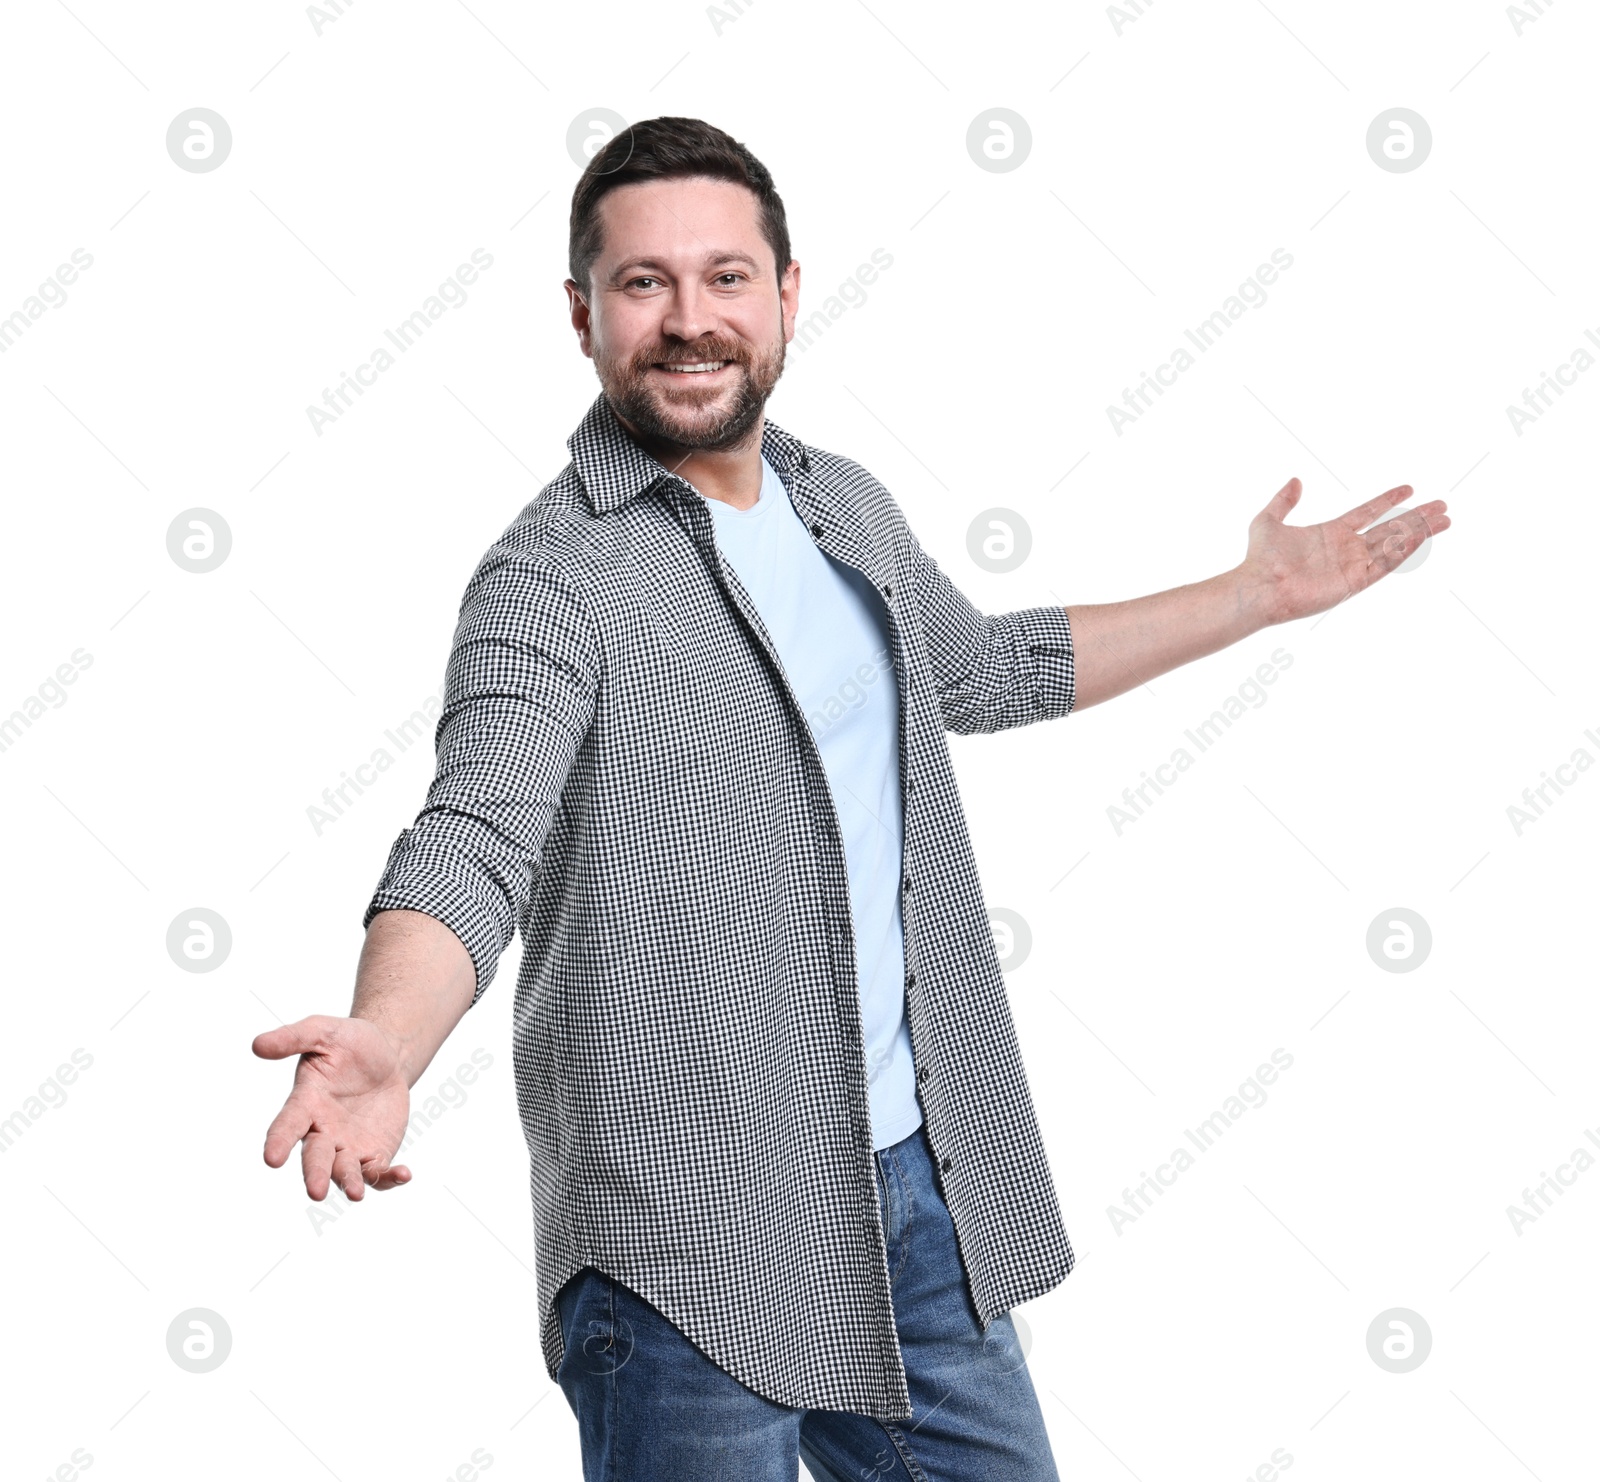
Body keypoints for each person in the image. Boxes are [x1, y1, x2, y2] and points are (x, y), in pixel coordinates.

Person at [253, 116, 1448, 1480]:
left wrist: (1251, 598)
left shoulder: (843, 508)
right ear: (582, 315)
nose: (689, 319)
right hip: (683, 1237)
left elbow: (986, 666)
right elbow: (476, 833)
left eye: (725, 277)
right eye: (644, 283)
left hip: (912, 1198)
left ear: (788, 294)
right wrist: (393, 1035)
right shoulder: (551, 580)